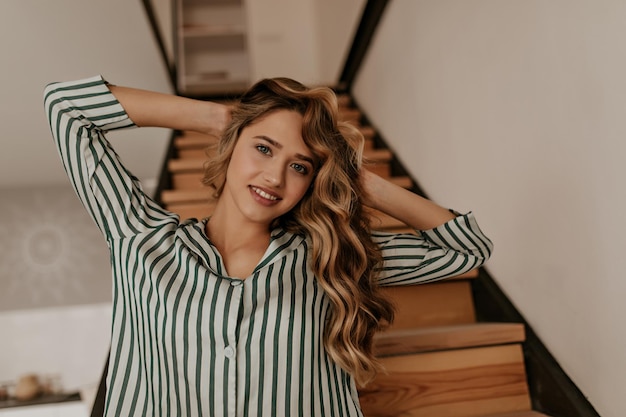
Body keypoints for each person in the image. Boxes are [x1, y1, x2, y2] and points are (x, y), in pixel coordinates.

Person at [44, 75, 493, 417]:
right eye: (263, 148)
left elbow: (465, 248)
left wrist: (358, 182)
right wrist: (220, 119)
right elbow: (66, 106)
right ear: (232, 145)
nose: (275, 177)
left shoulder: (330, 257)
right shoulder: (140, 237)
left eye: (299, 166)